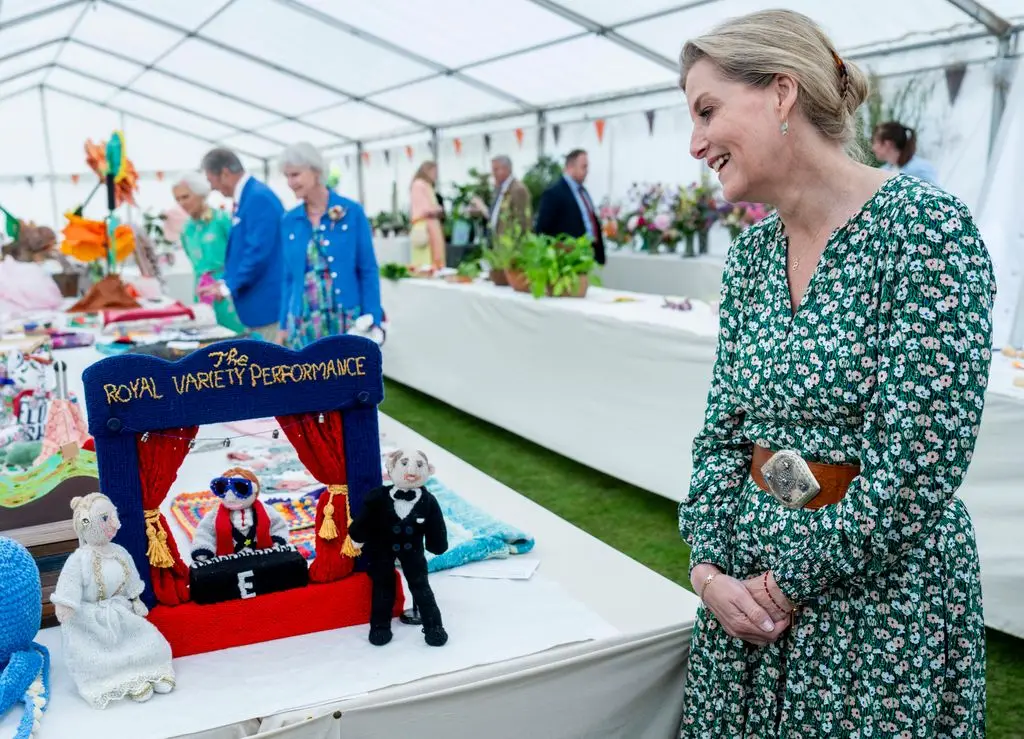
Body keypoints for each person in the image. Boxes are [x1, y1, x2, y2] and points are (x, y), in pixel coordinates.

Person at [676, 9, 992, 737]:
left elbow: (918, 463)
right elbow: (723, 433)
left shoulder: (924, 230)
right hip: (745, 604)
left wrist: (782, 586)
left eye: (707, 110)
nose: (695, 143)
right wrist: (710, 574)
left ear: (781, 93)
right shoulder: (752, 256)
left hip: (880, 609)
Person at [277, 142, 383, 350]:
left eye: (295, 174)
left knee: (347, 381)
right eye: (287, 176)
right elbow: (288, 278)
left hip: (346, 318)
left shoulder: (351, 212)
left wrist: (373, 318)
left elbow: (368, 269)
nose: (290, 182)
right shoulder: (289, 220)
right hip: (304, 321)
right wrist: (283, 325)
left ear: (316, 171)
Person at [201, 147, 285, 341]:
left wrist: (227, 286)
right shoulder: (247, 197)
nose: (212, 188)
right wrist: (223, 281)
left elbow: (257, 252)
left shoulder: (258, 198)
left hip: (268, 307)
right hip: (256, 308)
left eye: (210, 180)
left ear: (224, 173)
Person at [171, 172, 245, 333]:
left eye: (185, 197)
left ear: (200, 194)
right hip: (201, 291)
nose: (181, 203)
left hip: (226, 290)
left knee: (236, 338)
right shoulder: (186, 229)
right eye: (177, 199)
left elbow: (239, 256)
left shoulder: (222, 220)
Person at [534, 149, 606, 264]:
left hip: (588, 255)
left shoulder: (583, 193)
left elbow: (590, 221)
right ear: (571, 167)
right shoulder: (554, 193)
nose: (587, 171)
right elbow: (542, 230)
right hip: (568, 258)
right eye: (584, 167)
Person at [469, 155, 530, 241]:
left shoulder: (517, 189)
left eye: (495, 170)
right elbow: (496, 217)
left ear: (506, 169)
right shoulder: (502, 189)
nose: (493, 174)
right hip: (500, 244)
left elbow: (522, 221)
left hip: (511, 246)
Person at [872, 121, 940, 185]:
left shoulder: (920, 169)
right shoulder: (884, 170)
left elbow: (937, 195)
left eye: (875, 142)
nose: (873, 148)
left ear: (888, 144)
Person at [409, 161, 445, 268]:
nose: (436, 175)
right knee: (427, 259)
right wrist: (437, 209)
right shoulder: (419, 185)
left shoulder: (427, 185)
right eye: (434, 172)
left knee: (435, 258)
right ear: (427, 171)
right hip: (425, 226)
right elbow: (424, 210)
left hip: (431, 225)